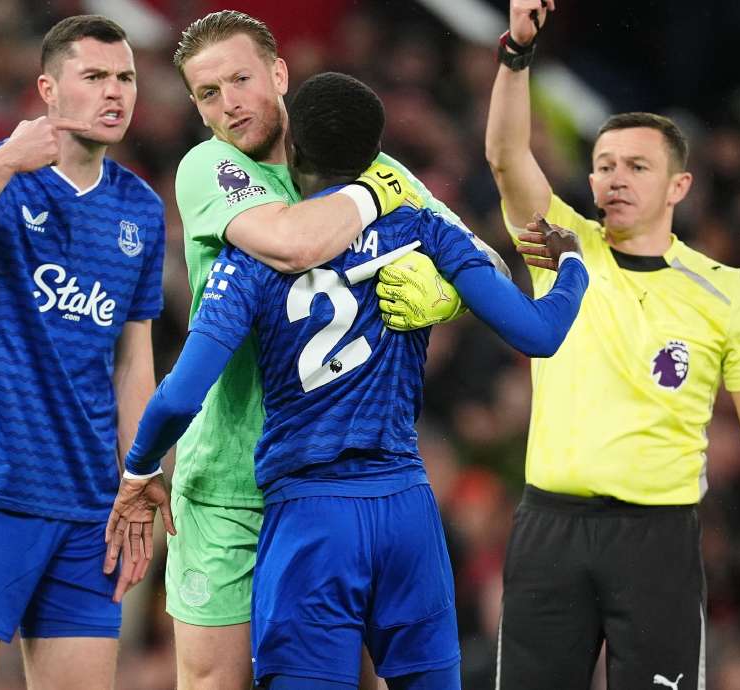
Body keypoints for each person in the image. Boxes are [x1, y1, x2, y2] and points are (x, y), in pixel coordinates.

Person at [110, 70, 588, 690]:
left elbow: (179, 394)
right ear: (375, 158)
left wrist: (140, 467)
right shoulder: (423, 228)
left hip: (310, 519)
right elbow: (540, 333)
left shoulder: (253, 257)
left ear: (293, 151)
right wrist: (573, 262)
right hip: (407, 515)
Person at [479, 1, 740, 687]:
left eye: (636, 166)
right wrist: (516, 53)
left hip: (657, 542)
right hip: (550, 529)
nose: (616, 178)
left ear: (678, 186)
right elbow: (507, 157)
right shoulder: (560, 249)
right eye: (604, 165)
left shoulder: (725, 291)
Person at [0, 16, 170, 690]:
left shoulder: (139, 209)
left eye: (126, 78)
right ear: (48, 89)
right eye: (96, 76)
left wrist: (138, 478)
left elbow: (134, 363)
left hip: (88, 505)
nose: (116, 93)